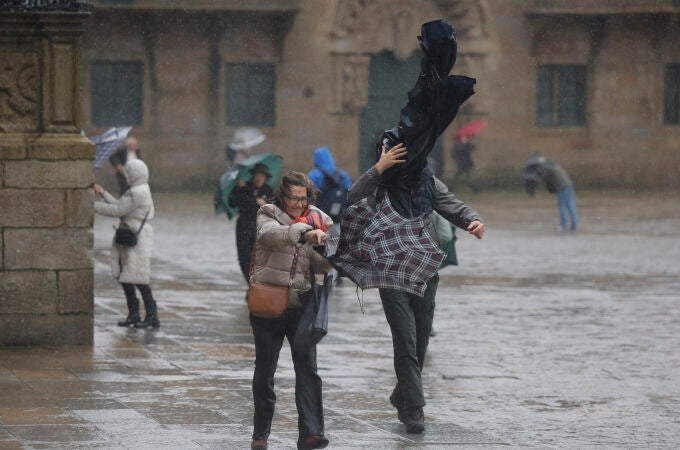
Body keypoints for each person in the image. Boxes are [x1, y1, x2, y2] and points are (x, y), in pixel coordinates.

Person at [347, 143, 485, 434]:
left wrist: (471, 219)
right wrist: (378, 169)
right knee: (405, 339)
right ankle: (414, 409)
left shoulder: (427, 181)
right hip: (390, 271)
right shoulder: (378, 184)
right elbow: (351, 199)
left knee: (421, 336)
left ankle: (403, 393)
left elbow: (451, 204)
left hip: (425, 269)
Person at [249, 171, 333, 450]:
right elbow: (272, 236)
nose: (298, 203)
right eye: (293, 198)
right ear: (282, 197)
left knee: (308, 368)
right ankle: (261, 430)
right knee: (265, 370)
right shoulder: (267, 213)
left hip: (302, 305)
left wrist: (326, 250)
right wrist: (305, 232)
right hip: (268, 303)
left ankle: (311, 432)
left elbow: (319, 267)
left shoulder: (319, 220)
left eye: (303, 198)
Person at [94, 159, 160, 329]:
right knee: (127, 277)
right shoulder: (139, 190)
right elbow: (121, 205)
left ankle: (151, 316)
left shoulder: (137, 192)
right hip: (133, 233)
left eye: (128, 173)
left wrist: (92, 206)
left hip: (135, 236)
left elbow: (118, 210)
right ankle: (135, 314)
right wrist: (103, 193)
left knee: (139, 278)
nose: (126, 176)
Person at [228, 163, 275, 284]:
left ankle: (258, 284)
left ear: (266, 178)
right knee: (243, 257)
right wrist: (240, 189)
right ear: (253, 176)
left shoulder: (269, 191)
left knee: (260, 257)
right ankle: (251, 284)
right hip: (244, 225)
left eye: (262, 175)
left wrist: (264, 204)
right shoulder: (244, 187)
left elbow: (276, 211)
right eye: (257, 175)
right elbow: (232, 202)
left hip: (261, 227)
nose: (259, 178)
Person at [528, 153, 578, 231]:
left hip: (562, 188)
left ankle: (563, 225)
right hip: (569, 185)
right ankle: (574, 225)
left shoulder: (546, 167)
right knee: (571, 206)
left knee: (562, 207)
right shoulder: (551, 164)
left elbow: (545, 176)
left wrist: (537, 175)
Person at [307, 146, 352, 223]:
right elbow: (350, 192)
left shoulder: (314, 175)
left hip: (320, 219)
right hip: (339, 218)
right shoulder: (343, 175)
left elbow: (308, 195)